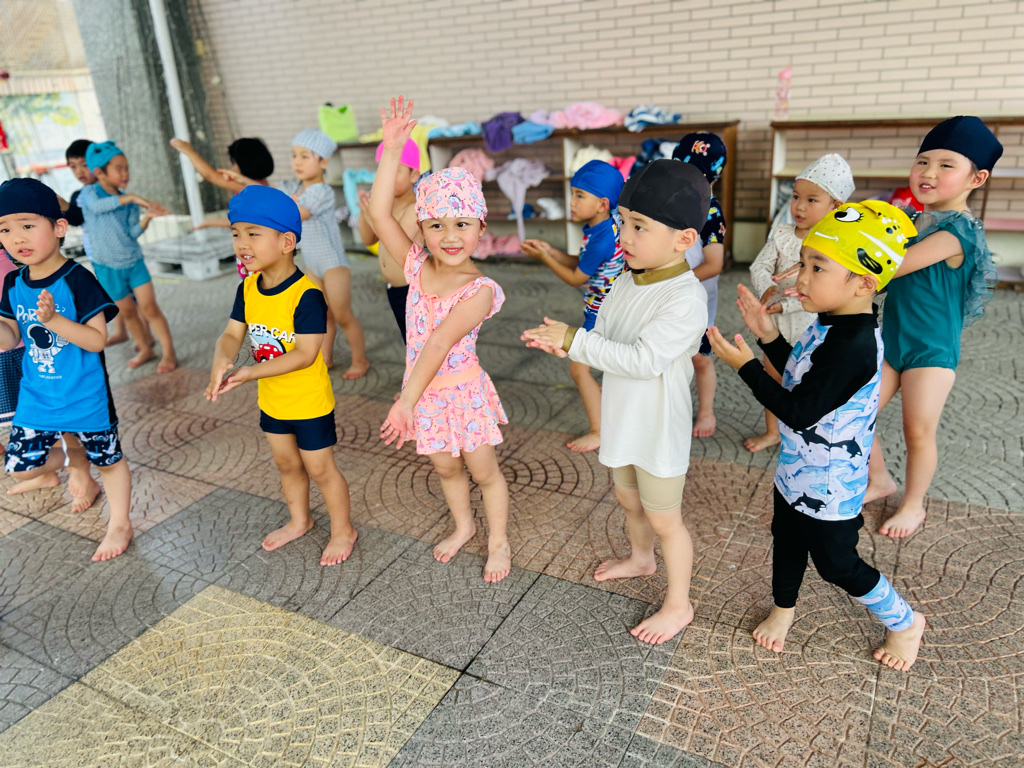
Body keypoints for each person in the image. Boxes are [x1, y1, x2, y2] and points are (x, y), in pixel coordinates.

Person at [707, 200, 927, 671]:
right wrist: (768, 336)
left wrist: (745, 366)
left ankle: (905, 622)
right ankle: (783, 611)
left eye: (817, 267)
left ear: (864, 283)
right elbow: (802, 376)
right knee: (786, 538)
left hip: (830, 484)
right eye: (803, 263)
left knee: (836, 565)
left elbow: (799, 410)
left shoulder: (854, 345)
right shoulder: (830, 324)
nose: (801, 279)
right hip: (797, 470)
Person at [524, 159, 710, 645]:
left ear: (684, 239)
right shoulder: (628, 277)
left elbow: (643, 360)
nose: (623, 234)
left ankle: (679, 604)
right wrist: (566, 342)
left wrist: (576, 341)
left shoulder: (684, 297)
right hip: (623, 419)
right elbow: (602, 335)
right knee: (628, 500)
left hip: (657, 429)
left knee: (665, 519)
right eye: (622, 221)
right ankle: (641, 559)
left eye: (638, 226)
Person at [370, 96, 511, 584]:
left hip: (461, 395)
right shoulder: (415, 266)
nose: (449, 236)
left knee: (484, 472)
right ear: (422, 229)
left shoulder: (480, 290)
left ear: (480, 228)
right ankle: (464, 526)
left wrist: (405, 401)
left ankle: (498, 540)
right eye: (436, 225)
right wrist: (393, 150)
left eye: (461, 224)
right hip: (423, 395)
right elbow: (379, 215)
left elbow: (436, 344)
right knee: (446, 470)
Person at [205, 185, 357, 566]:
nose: (242, 243)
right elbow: (231, 334)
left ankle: (343, 530)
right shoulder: (248, 287)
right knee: (287, 464)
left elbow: (306, 355)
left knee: (320, 468)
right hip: (272, 401)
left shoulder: (306, 295)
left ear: (287, 241)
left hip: (308, 403)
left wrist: (250, 372)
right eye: (236, 233)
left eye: (253, 233)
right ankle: (299, 519)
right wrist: (222, 360)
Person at [865, 117, 1002, 539]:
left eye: (946, 165)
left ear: (976, 179)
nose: (929, 172)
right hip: (893, 340)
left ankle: (913, 504)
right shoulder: (911, 221)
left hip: (932, 350)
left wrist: (837, 265)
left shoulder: (958, 231)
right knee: (856, 412)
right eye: (923, 161)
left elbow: (892, 266)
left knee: (918, 431)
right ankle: (879, 480)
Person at [0, 178, 132, 561]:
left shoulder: (78, 279)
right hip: (37, 396)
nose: (15, 238)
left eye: (27, 225)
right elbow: (9, 336)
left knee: (109, 461)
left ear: (59, 227)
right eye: (4, 230)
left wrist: (54, 320)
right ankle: (76, 460)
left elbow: (97, 340)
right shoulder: (13, 281)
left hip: (85, 394)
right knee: (20, 467)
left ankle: (120, 523)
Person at [745, 153, 853, 452]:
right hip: (776, 323)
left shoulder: (834, 246)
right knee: (773, 377)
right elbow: (760, 266)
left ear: (836, 206)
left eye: (811, 199)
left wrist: (786, 304)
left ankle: (807, 433)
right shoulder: (781, 234)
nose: (799, 206)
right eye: (795, 197)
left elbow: (821, 293)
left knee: (808, 380)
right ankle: (773, 431)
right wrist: (768, 288)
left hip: (811, 325)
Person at [520, 160, 625, 453]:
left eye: (580, 195)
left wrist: (545, 258)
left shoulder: (602, 238)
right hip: (608, 308)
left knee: (579, 370)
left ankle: (599, 431)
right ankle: (608, 403)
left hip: (603, 313)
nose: (571, 202)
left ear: (602, 204)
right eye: (572, 194)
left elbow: (576, 277)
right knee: (603, 368)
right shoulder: (603, 226)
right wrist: (551, 250)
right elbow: (584, 264)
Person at [77, 141, 178, 373]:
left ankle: (169, 351)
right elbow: (99, 207)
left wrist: (147, 217)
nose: (125, 174)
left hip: (134, 263)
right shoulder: (90, 193)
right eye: (119, 169)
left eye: (127, 168)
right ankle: (145, 348)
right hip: (107, 267)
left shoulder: (130, 202)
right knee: (128, 312)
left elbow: (132, 233)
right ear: (99, 172)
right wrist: (131, 197)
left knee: (149, 308)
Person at [276, 129, 368, 378]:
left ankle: (360, 361)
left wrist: (281, 206)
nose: (297, 162)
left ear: (323, 162)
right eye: (294, 155)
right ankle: (326, 358)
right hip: (313, 264)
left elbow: (299, 214)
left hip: (333, 264)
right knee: (322, 314)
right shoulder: (297, 188)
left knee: (343, 315)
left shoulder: (322, 192)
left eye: (305, 156)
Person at [672, 132, 726, 438]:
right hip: (667, 296)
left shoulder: (711, 211)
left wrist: (672, 281)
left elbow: (714, 264)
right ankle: (669, 406)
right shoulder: (668, 205)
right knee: (666, 353)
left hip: (697, 298)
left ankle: (706, 410)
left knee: (700, 358)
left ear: (713, 178)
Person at [63, 138, 132, 345]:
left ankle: (141, 334)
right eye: (73, 167)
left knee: (130, 299)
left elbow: (80, 215)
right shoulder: (80, 194)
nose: (79, 172)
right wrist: (65, 207)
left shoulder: (107, 191)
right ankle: (121, 330)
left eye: (84, 165)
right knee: (112, 294)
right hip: (97, 253)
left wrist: (65, 205)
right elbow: (76, 219)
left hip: (120, 253)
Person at [357, 138, 421, 343]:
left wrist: (373, 217)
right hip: (394, 290)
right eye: (383, 170)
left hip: (415, 291)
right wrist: (365, 211)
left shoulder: (416, 208)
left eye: (396, 171)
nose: (386, 177)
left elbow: (396, 243)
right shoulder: (386, 207)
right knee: (408, 341)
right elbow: (368, 239)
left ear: (414, 175)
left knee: (422, 343)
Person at [170, 137, 274, 250]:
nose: (233, 167)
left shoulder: (248, 187)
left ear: (244, 163)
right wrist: (209, 223)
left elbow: (211, 176)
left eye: (233, 163)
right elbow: (243, 220)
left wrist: (189, 151)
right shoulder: (262, 183)